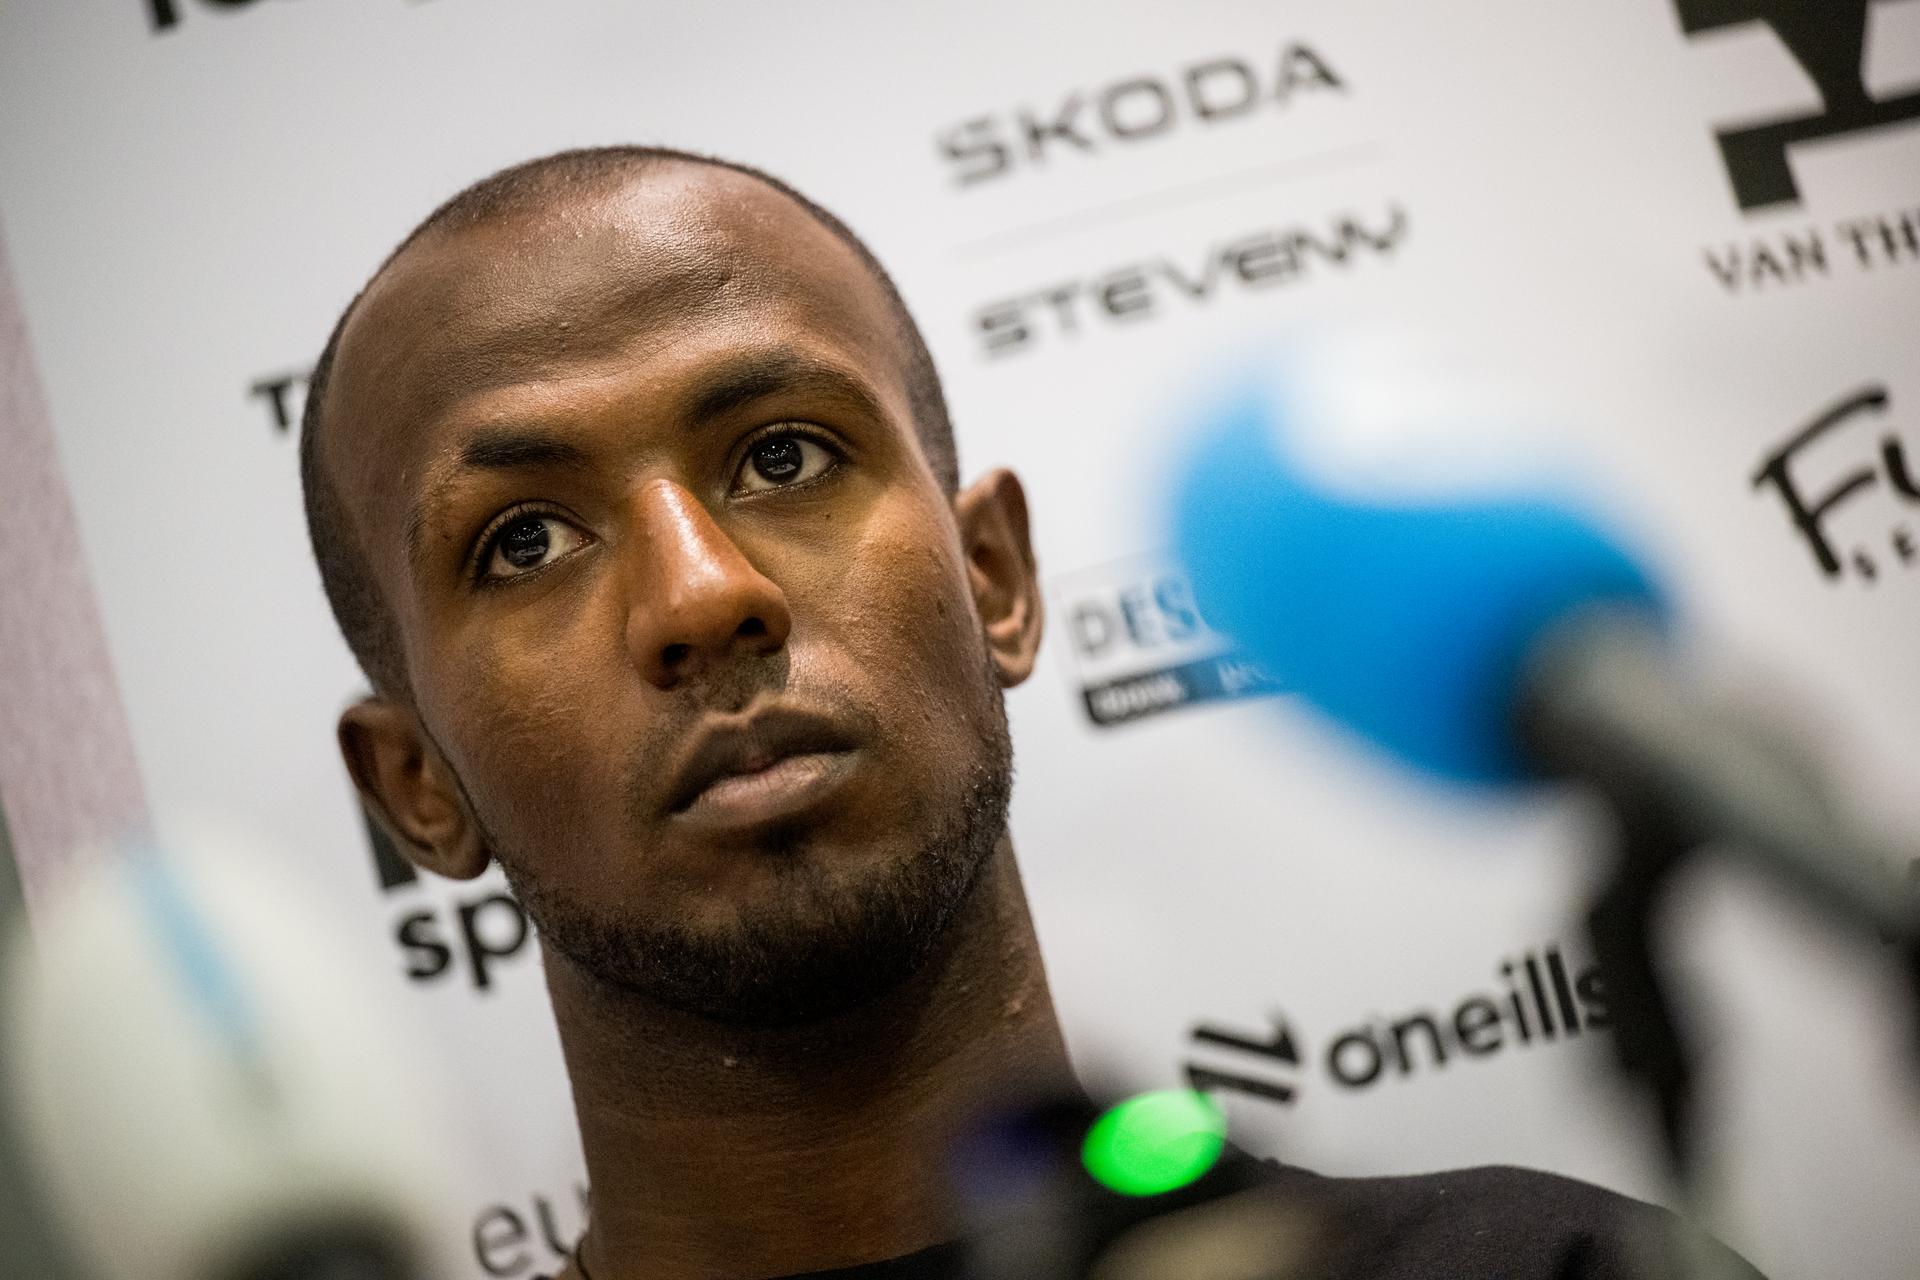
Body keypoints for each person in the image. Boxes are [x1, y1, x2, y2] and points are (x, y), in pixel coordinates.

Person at [298, 146, 1763, 1280]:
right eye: (525, 543)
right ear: (419, 785)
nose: (700, 596)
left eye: (786, 454)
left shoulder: (1550, 1274)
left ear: (993, 576)